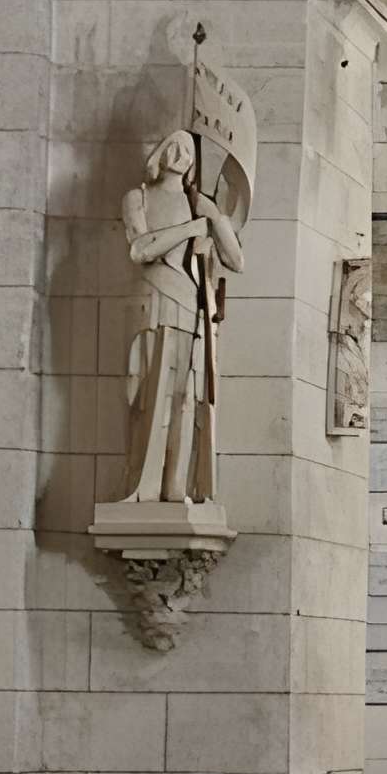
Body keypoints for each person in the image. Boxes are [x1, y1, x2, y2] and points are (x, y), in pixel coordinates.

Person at [119, 128, 242, 505]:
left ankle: (175, 485)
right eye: (171, 145)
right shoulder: (137, 197)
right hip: (153, 301)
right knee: (147, 394)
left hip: (190, 304)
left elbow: (235, 261)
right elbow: (140, 249)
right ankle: (144, 485)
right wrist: (190, 228)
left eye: (187, 149)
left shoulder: (199, 203)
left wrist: (215, 218)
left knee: (184, 397)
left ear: (192, 162)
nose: (178, 153)